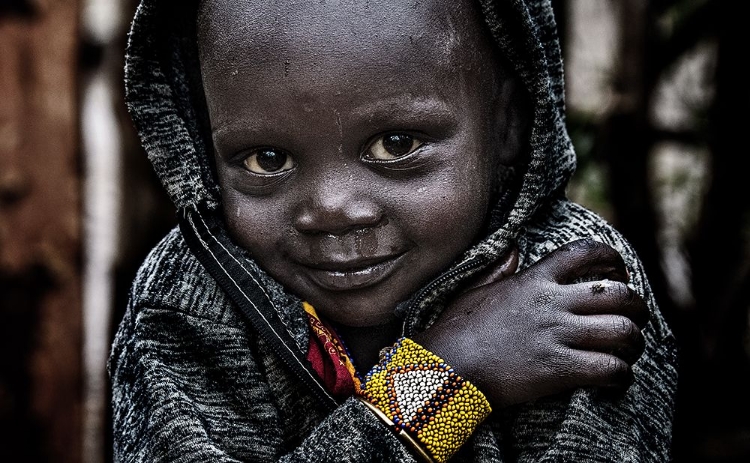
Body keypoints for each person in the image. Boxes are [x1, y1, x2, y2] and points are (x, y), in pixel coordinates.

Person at [108, 0, 678, 461]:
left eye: (396, 145)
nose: (330, 209)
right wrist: (437, 382)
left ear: (507, 124)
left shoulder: (575, 290)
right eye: (266, 159)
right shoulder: (184, 304)